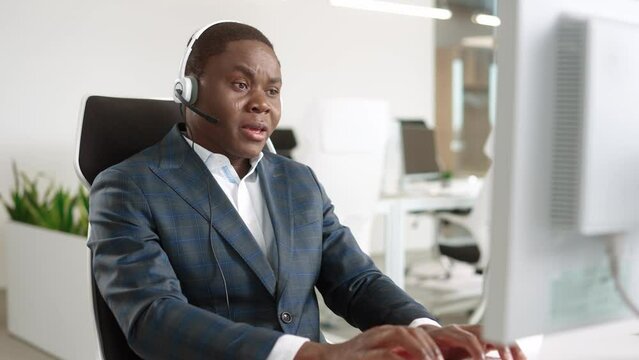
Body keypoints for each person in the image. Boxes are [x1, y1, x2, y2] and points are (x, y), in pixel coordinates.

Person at [88, 21, 525, 360]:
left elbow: (355, 280)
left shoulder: (298, 181)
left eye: (273, 90)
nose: (262, 103)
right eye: (241, 85)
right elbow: (153, 318)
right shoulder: (128, 187)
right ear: (190, 92)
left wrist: (428, 330)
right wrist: (310, 353)